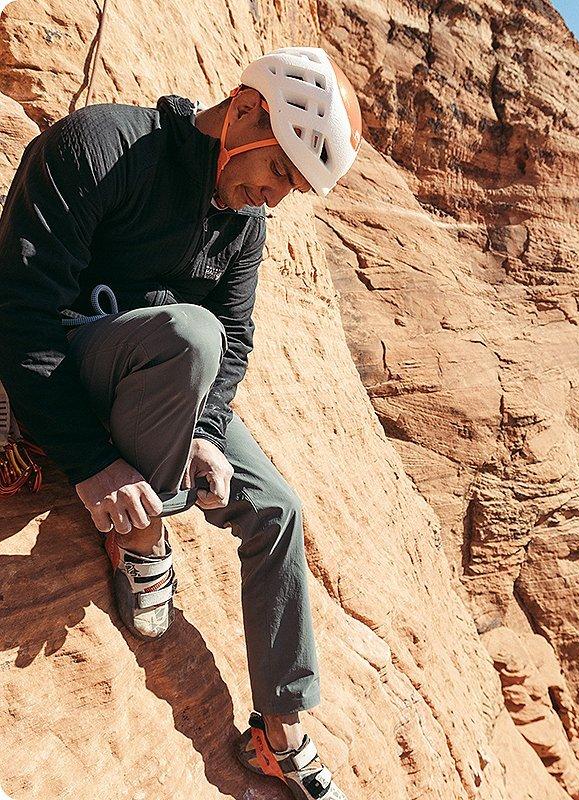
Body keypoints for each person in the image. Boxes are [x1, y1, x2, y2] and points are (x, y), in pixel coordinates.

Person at [0, 45, 362, 800]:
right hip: (71, 373)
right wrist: (94, 460)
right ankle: (138, 533)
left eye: (293, 187)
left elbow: (236, 338)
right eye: (281, 172)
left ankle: (278, 727)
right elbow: (22, 312)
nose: (275, 198)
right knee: (189, 333)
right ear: (244, 111)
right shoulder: (101, 147)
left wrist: (206, 429)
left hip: (164, 390)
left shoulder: (242, 224)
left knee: (278, 509)